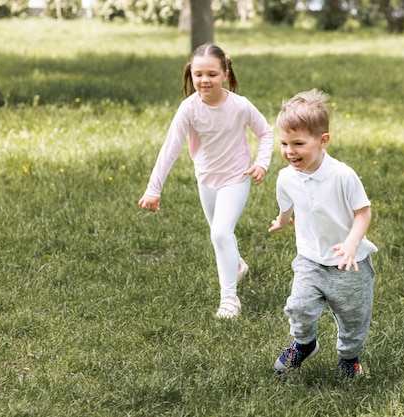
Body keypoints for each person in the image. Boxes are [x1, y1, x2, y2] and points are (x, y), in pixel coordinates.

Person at [139, 44, 273, 319]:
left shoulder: (240, 105)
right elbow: (170, 148)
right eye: (198, 74)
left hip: (236, 178)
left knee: (220, 233)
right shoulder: (189, 108)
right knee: (220, 235)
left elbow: (266, 133)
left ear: (225, 72)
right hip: (206, 180)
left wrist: (261, 163)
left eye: (212, 74)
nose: (204, 80)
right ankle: (236, 264)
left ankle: (229, 300)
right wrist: (154, 189)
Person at [268, 89, 377, 377]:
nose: (290, 151)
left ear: (322, 140)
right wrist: (281, 220)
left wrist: (352, 244)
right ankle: (304, 344)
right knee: (299, 306)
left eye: (299, 143)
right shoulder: (286, 177)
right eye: (284, 143)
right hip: (310, 259)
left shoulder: (342, 175)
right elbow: (287, 203)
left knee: (353, 318)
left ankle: (349, 358)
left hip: (348, 264)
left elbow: (363, 212)